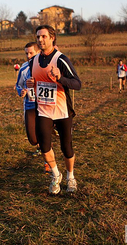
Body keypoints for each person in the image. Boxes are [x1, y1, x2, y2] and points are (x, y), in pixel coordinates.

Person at [26, 25, 81, 195]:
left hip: (62, 110)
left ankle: (70, 177)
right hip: (43, 109)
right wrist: (30, 84)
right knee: (44, 145)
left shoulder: (60, 59)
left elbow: (77, 84)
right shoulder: (33, 61)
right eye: (38, 37)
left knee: (66, 147)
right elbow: (35, 81)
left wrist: (61, 78)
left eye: (43, 36)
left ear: (52, 38)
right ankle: (56, 175)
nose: (40, 40)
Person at [16, 42, 41, 154]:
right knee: (32, 139)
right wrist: (21, 91)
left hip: (44, 105)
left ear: (38, 52)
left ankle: (47, 159)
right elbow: (19, 85)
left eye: (31, 53)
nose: (29, 56)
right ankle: (40, 143)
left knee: (43, 133)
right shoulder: (24, 68)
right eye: (27, 53)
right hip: (30, 104)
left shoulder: (44, 67)